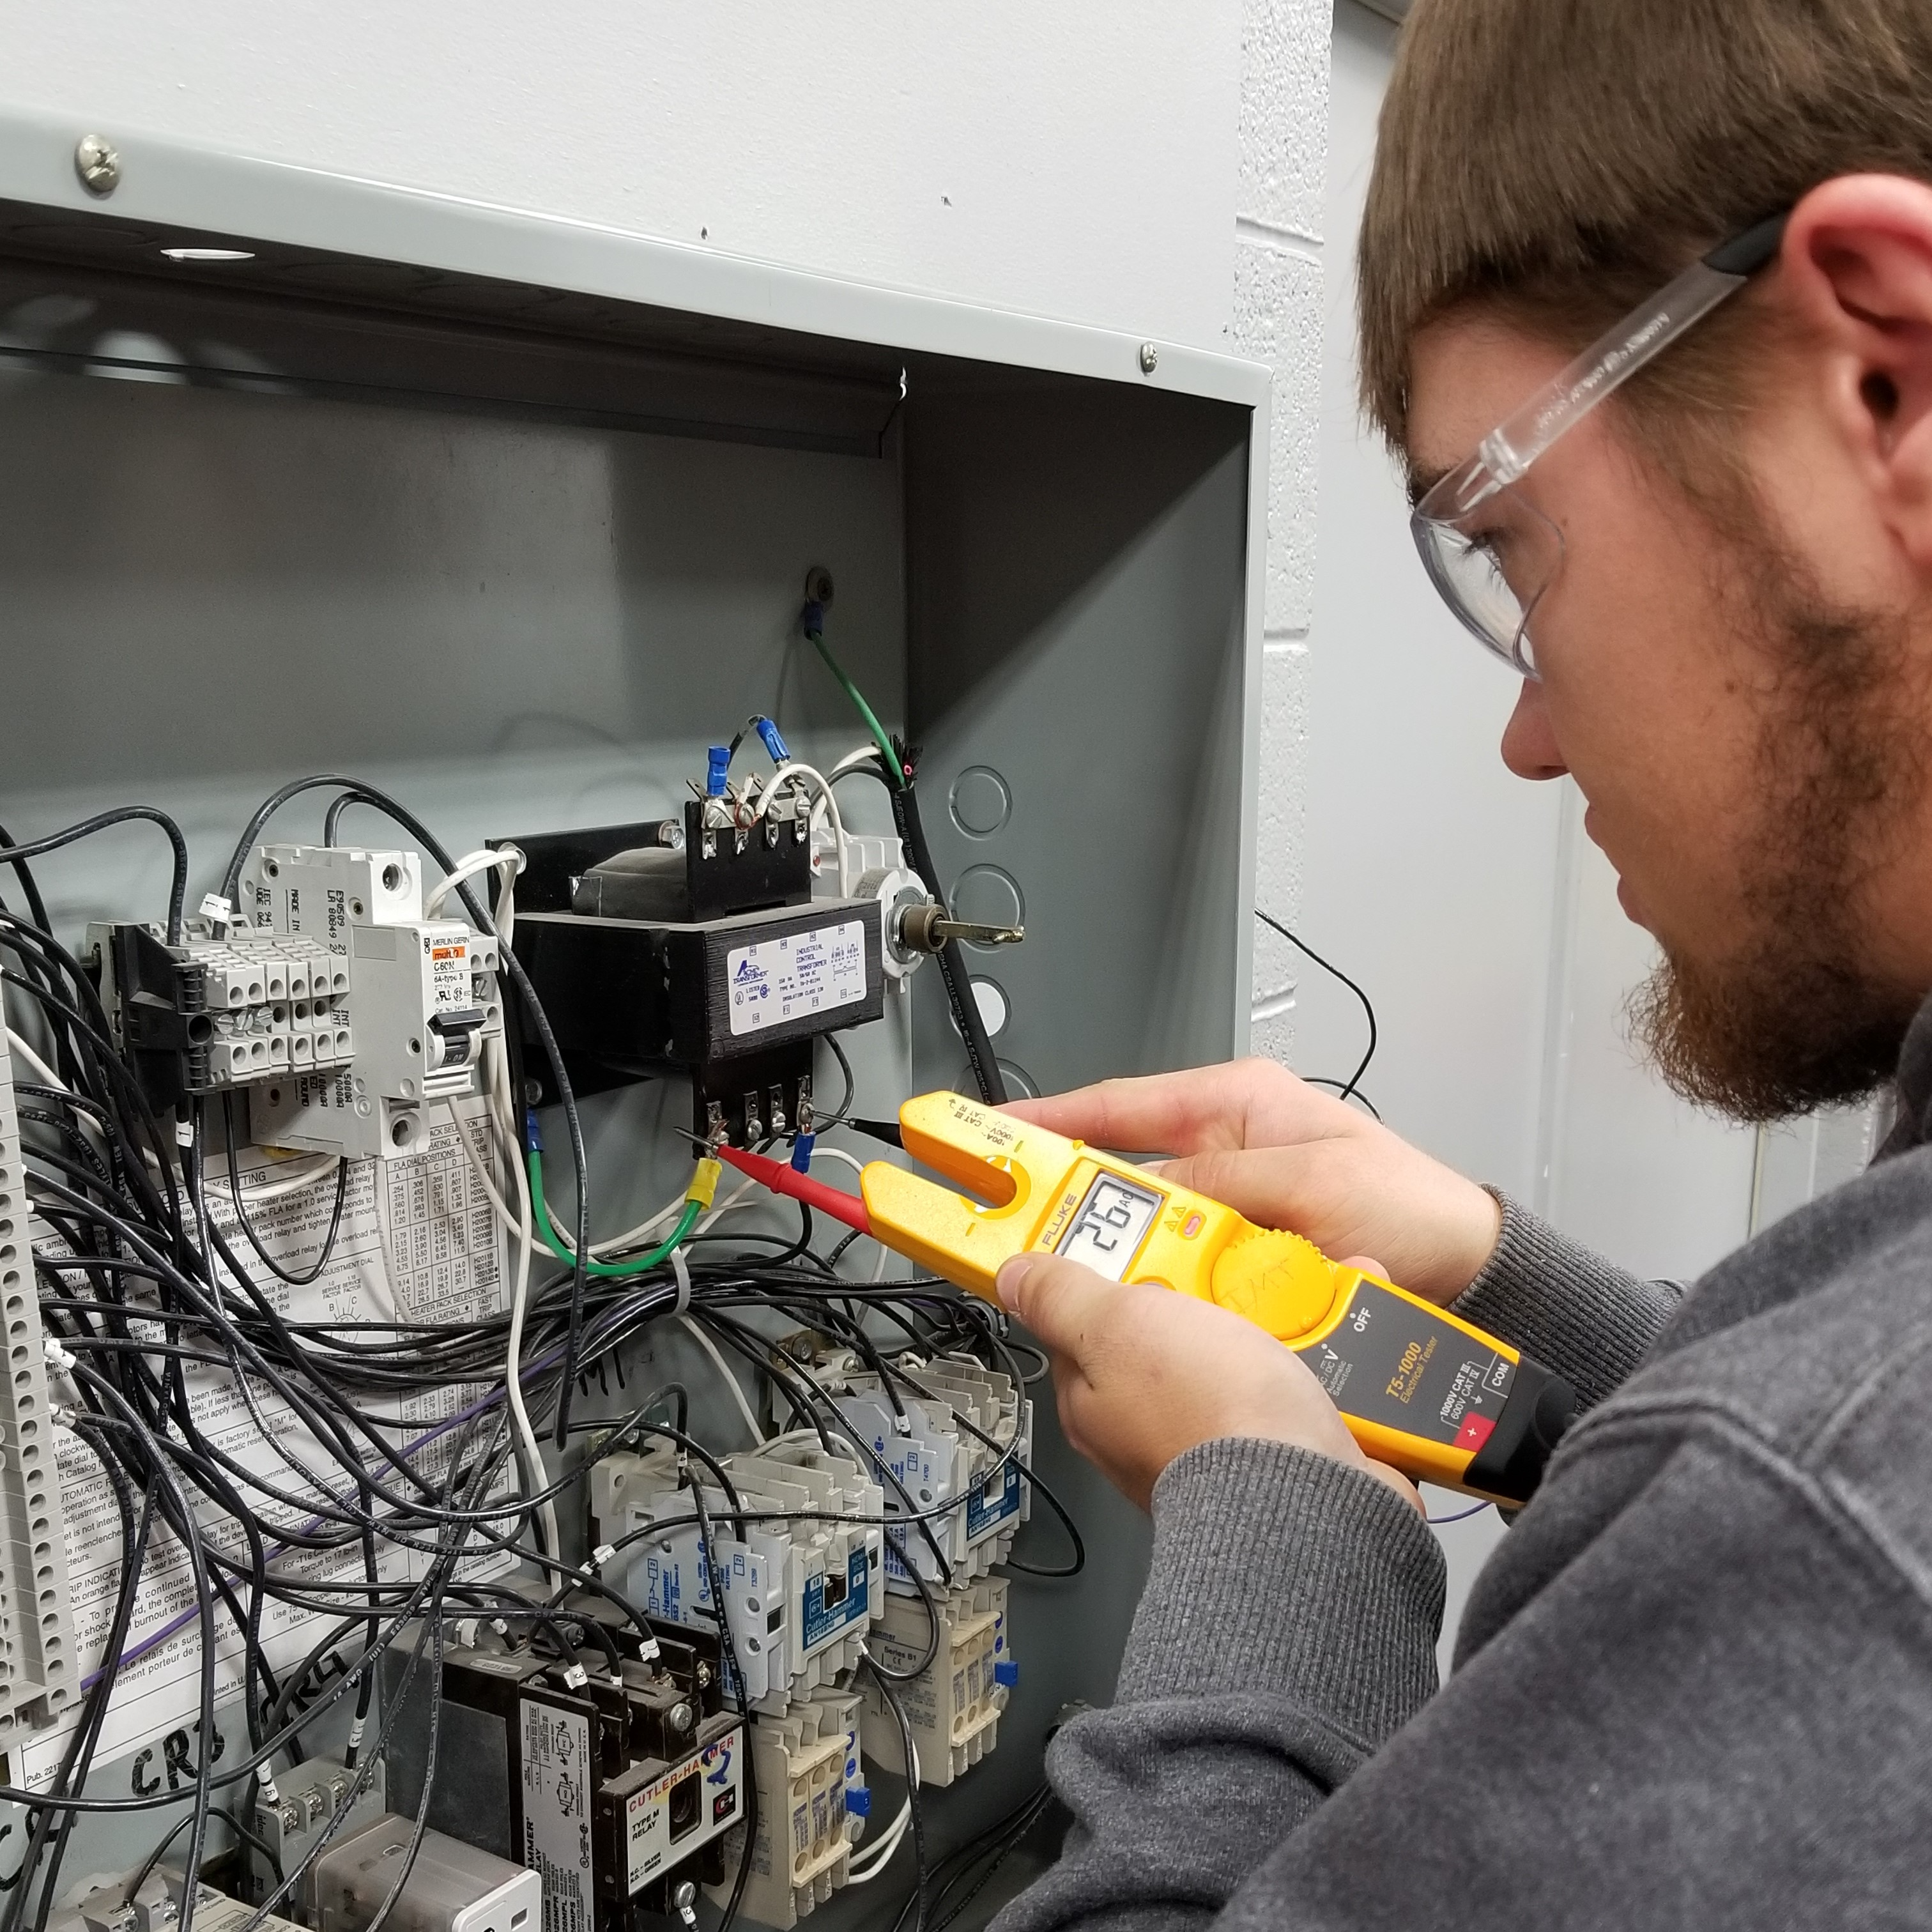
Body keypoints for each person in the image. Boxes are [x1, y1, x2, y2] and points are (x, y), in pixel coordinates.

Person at [991, 0, 1932, 1925]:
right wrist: (1513, 1284)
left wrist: (1293, 1528)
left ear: (1888, 385)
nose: (1532, 739)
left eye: (1511, 543)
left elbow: (1828, 1508)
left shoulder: (1824, 1521)